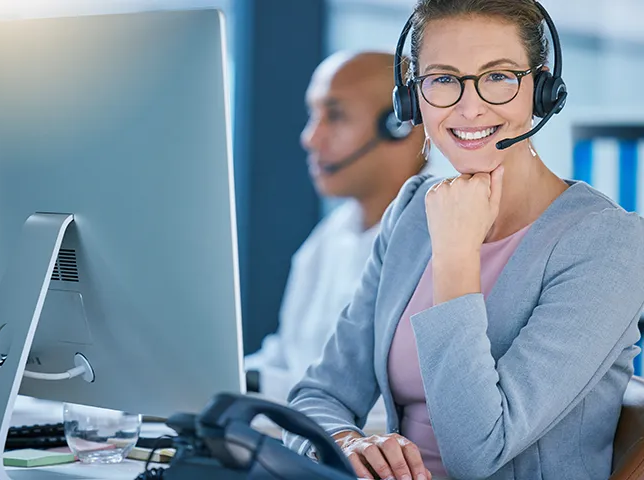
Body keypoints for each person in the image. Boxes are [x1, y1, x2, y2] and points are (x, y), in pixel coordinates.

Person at [283, 1, 644, 480]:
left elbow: (478, 453)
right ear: (412, 98)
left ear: (542, 90)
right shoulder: (414, 210)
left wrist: (455, 255)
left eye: (498, 77)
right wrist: (346, 443)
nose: (469, 107)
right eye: (443, 79)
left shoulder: (607, 244)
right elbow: (318, 394)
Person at [244, 51, 426, 413]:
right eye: (313, 115)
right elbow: (286, 355)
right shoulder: (332, 235)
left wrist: (261, 385)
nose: (310, 138)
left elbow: (385, 403)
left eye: (335, 115)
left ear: (399, 125)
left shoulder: (436, 241)